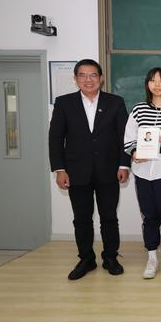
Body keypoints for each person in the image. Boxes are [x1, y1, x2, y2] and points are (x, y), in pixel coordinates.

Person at [49, 58, 130, 280]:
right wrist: (59, 169)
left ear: (101, 78)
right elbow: (55, 138)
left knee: (109, 217)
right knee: (81, 219)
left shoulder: (115, 102)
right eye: (83, 75)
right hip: (76, 172)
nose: (88, 80)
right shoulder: (64, 103)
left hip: (109, 170)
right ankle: (86, 259)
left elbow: (124, 136)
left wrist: (124, 164)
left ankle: (110, 257)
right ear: (75, 79)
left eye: (93, 75)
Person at [123, 67, 161, 279]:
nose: (157, 85)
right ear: (147, 84)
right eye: (152, 80)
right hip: (142, 172)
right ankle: (152, 258)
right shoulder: (138, 110)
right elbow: (128, 138)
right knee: (148, 216)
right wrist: (134, 152)